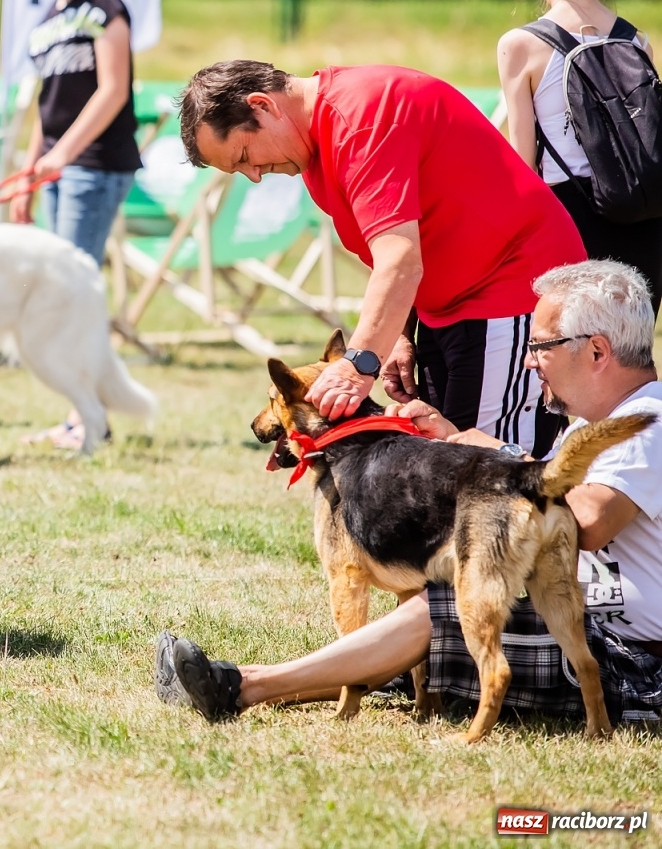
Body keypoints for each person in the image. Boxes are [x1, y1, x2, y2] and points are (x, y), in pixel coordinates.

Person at [157, 260, 662, 727]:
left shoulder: (649, 425)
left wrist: (492, 466)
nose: (530, 363)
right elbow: (545, 485)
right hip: (580, 620)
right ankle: (240, 680)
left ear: (596, 350)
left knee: (435, 607)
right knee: (402, 643)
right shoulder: (596, 426)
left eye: (541, 346)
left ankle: (240, 689)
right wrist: (465, 444)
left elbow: (589, 522)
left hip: (628, 659)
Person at [181, 60, 586, 457]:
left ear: (262, 106)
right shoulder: (315, 147)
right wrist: (395, 336)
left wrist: (358, 364)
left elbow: (400, 259)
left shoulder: (360, 118)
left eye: (244, 155)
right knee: (440, 465)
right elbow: (395, 251)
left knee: (496, 481)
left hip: (513, 291)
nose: (254, 175)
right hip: (449, 306)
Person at [497, 0, 661, 310]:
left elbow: (523, 169)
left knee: (565, 369)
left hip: (570, 230)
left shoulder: (522, 46)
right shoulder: (635, 40)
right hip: (643, 229)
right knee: (630, 365)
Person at [10, 0, 140, 267]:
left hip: (93, 164)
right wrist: (28, 174)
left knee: (72, 278)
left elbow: (113, 91)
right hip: (55, 166)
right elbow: (47, 106)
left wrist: (63, 155)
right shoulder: (49, 19)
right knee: (60, 280)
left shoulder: (105, 7)